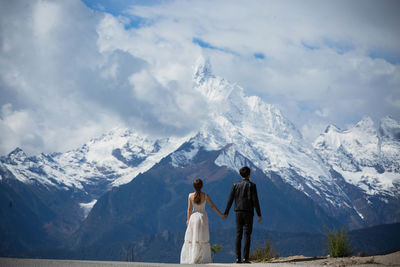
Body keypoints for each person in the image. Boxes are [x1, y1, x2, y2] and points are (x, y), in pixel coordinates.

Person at [180, 178, 225, 264]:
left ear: (194, 186)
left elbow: (189, 209)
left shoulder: (190, 196)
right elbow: (212, 206)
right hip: (202, 217)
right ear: (202, 186)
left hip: (193, 218)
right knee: (202, 238)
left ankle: (192, 257)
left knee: (193, 238)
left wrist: (188, 219)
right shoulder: (205, 196)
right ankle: (201, 258)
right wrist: (221, 214)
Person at [224, 166, 262, 263]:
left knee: (238, 234)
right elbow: (255, 200)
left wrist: (226, 212)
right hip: (249, 212)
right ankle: (245, 258)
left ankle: (238, 258)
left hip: (238, 211)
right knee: (247, 235)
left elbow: (230, 199)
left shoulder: (235, 185)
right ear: (249, 174)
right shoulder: (252, 185)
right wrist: (259, 214)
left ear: (241, 174)